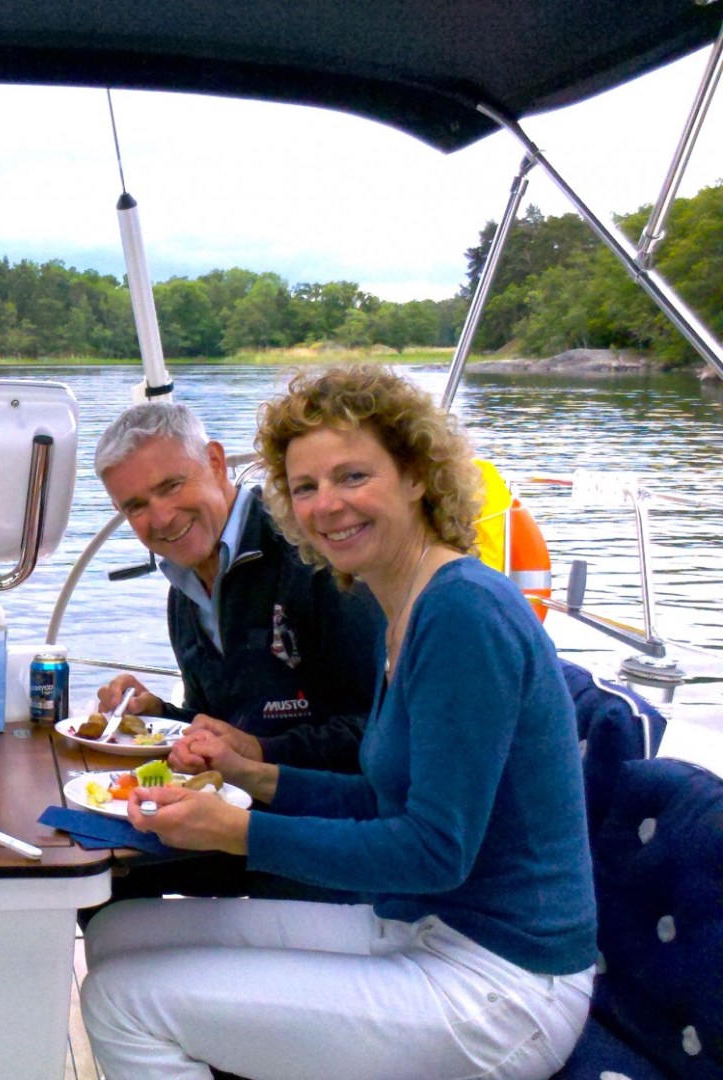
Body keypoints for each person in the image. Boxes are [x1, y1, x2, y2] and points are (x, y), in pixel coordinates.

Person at [81, 366, 596, 1080]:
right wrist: (251, 775)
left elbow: (434, 852)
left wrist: (239, 832)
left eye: (353, 476)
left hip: (503, 980)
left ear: (415, 475)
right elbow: (381, 799)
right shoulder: (407, 605)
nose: (327, 505)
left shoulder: (463, 612)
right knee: (118, 932)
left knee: (119, 1001)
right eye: (305, 487)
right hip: (423, 924)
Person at [86, 401, 383, 908]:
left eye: (171, 486)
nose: (161, 517)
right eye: (135, 506)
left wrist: (259, 752)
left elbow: (371, 732)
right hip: (242, 815)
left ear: (216, 462)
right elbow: (223, 725)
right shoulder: (183, 589)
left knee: (103, 871)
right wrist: (159, 715)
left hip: (328, 840)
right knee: (94, 865)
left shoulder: (313, 553)